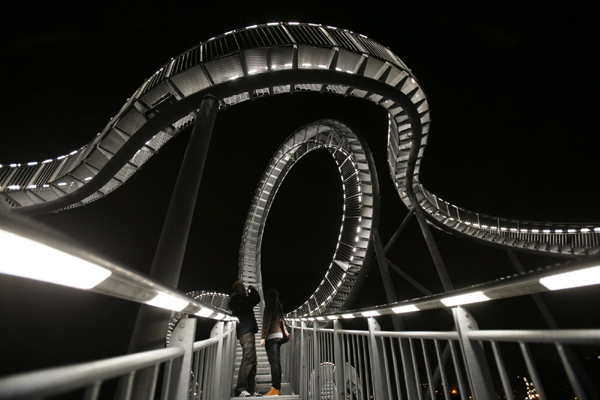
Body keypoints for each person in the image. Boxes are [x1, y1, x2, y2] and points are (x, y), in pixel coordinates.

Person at [229, 280, 261, 397]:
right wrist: (252, 289)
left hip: (244, 332)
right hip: (246, 332)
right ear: (240, 289)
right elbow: (256, 299)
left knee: (253, 360)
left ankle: (250, 390)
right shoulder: (241, 299)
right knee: (248, 358)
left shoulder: (235, 300)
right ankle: (241, 388)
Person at [260, 289, 284, 396]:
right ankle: (277, 388)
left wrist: (263, 337)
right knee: (277, 362)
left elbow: (266, 322)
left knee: (273, 362)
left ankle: (275, 388)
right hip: (279, 336)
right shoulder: (279, 306)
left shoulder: (269, 306)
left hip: (272, 337)